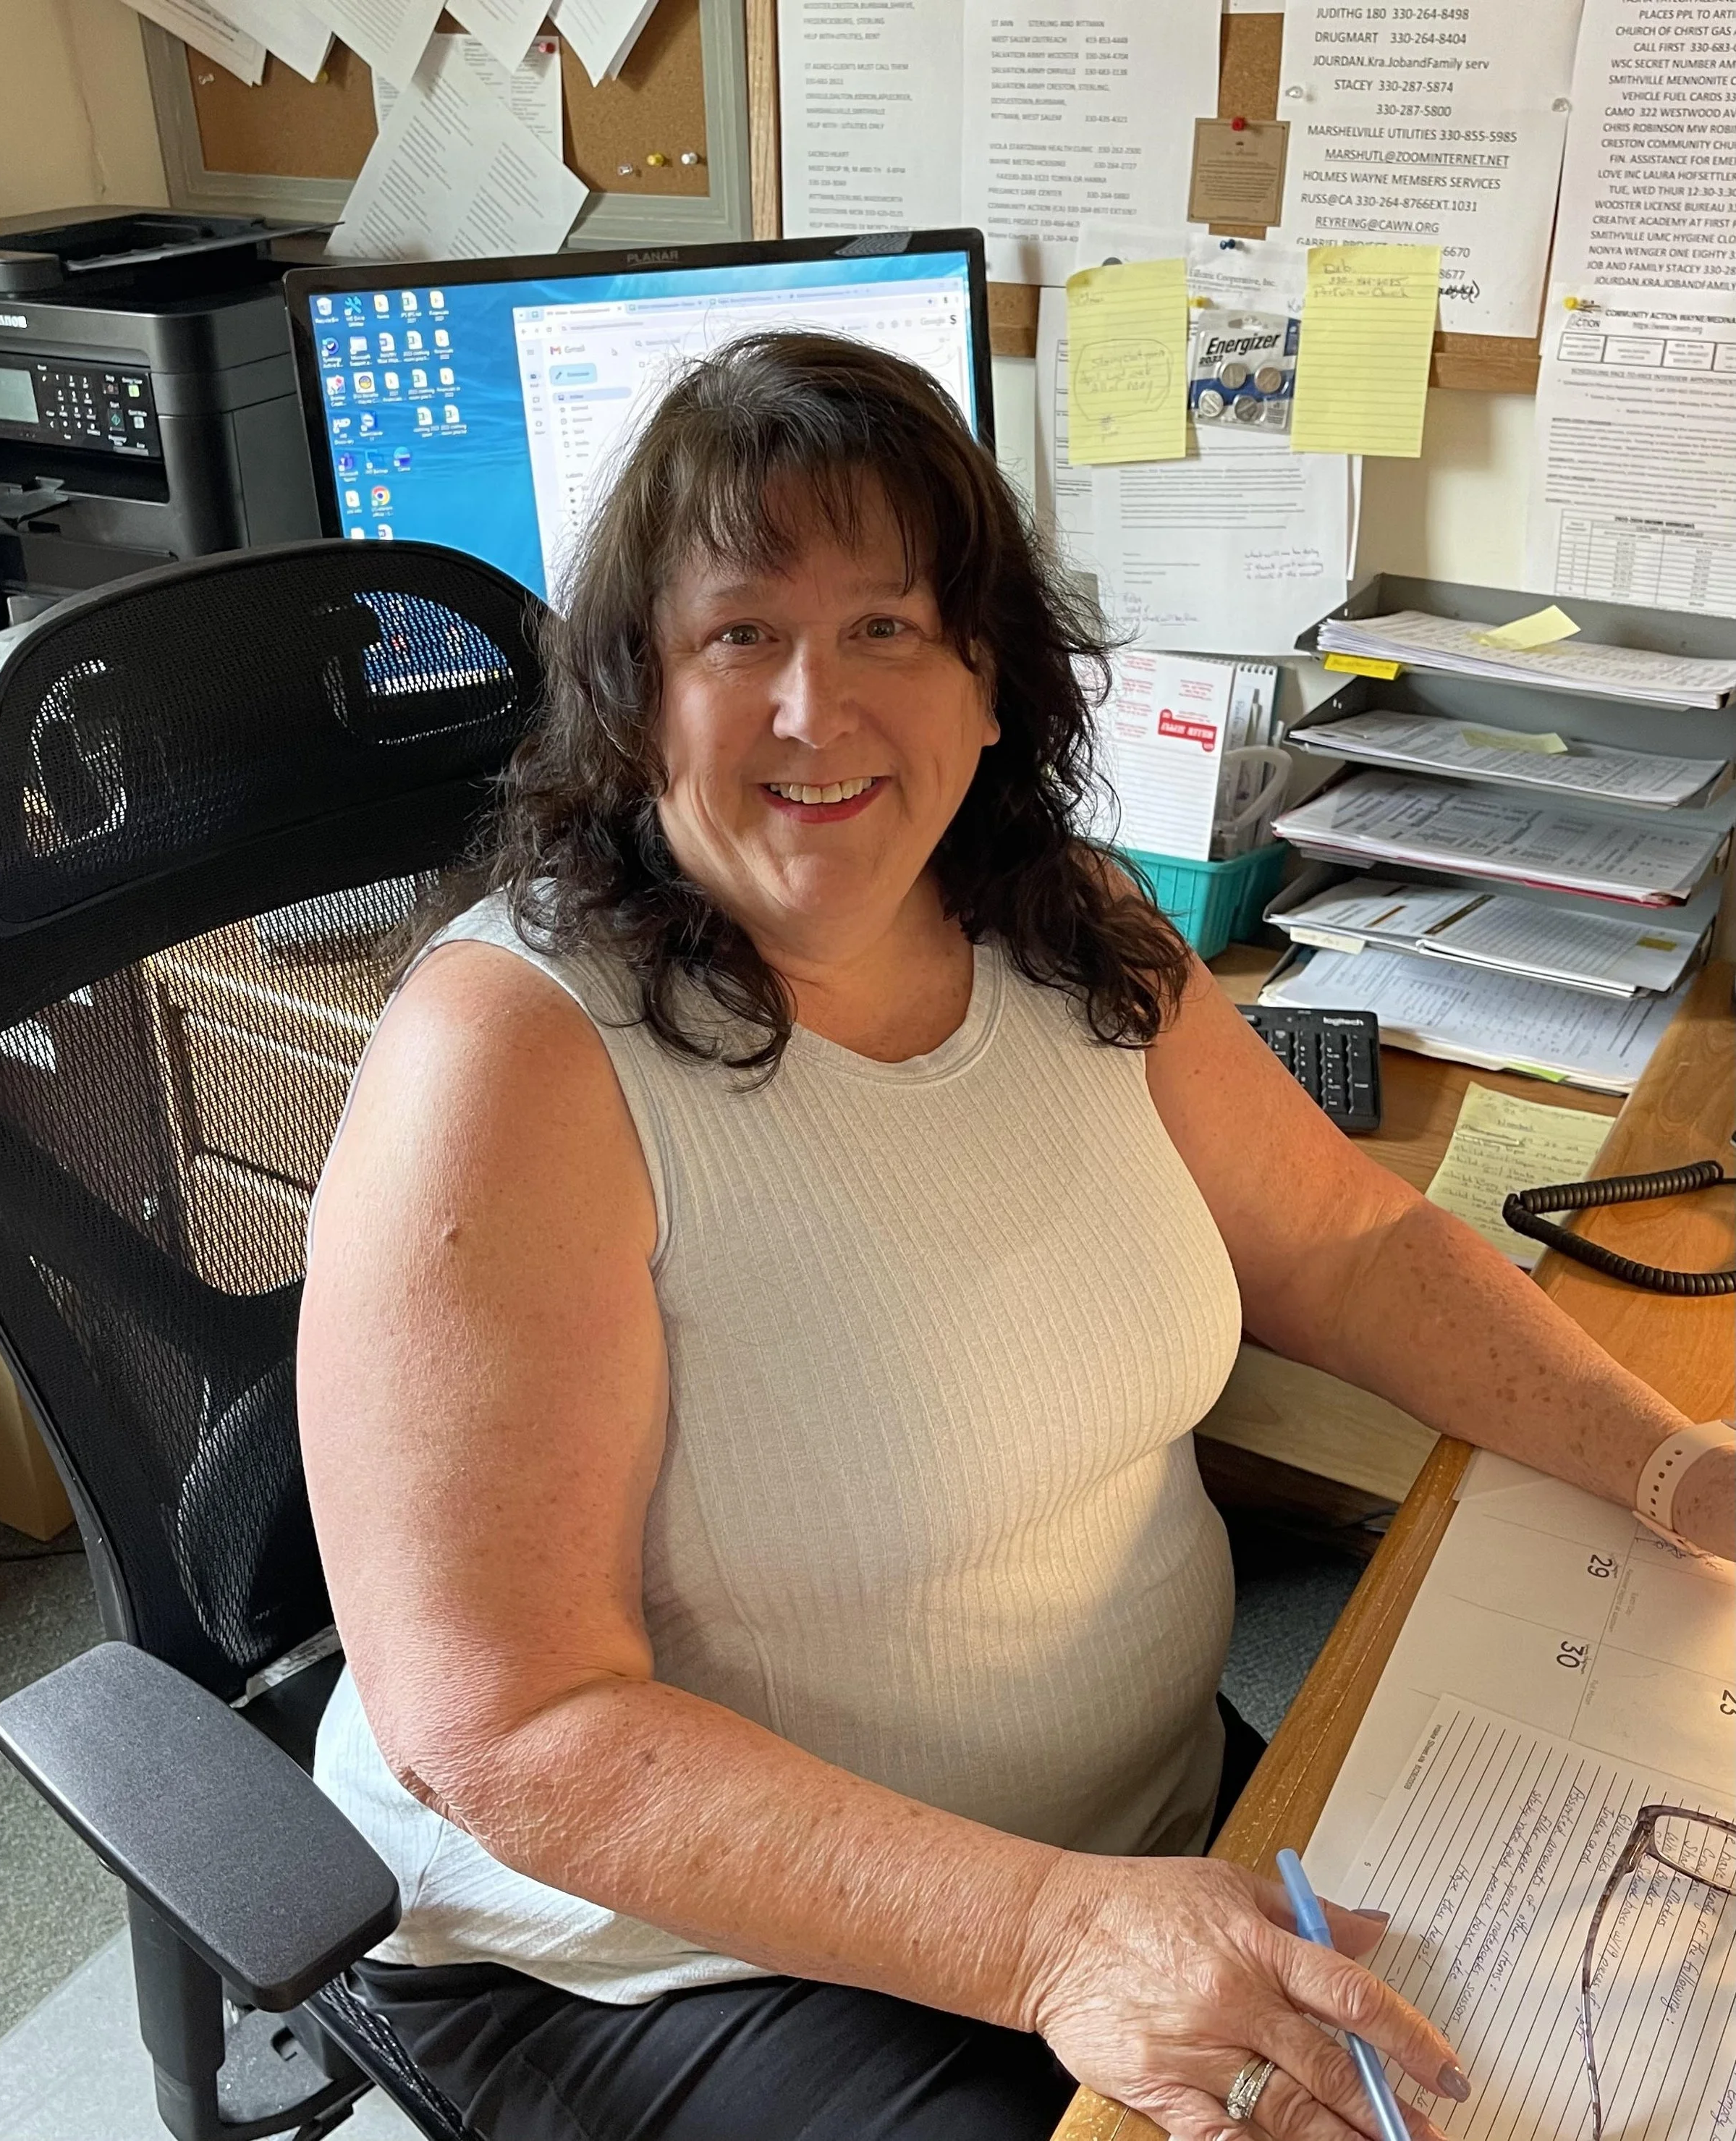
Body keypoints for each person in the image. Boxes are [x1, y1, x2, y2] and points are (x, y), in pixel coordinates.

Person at [297, 333, 1734, 2141]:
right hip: (667, 1951)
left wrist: (1674, 1474)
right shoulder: (511, 1053)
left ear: (991, 688)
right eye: (739, 634)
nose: (815, 708)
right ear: (638, 693)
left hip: (1133, 1845)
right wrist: (1052, 1936)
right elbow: (507, 1728)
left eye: (888, 626)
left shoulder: (1070, 933)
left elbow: (1345, 1246)